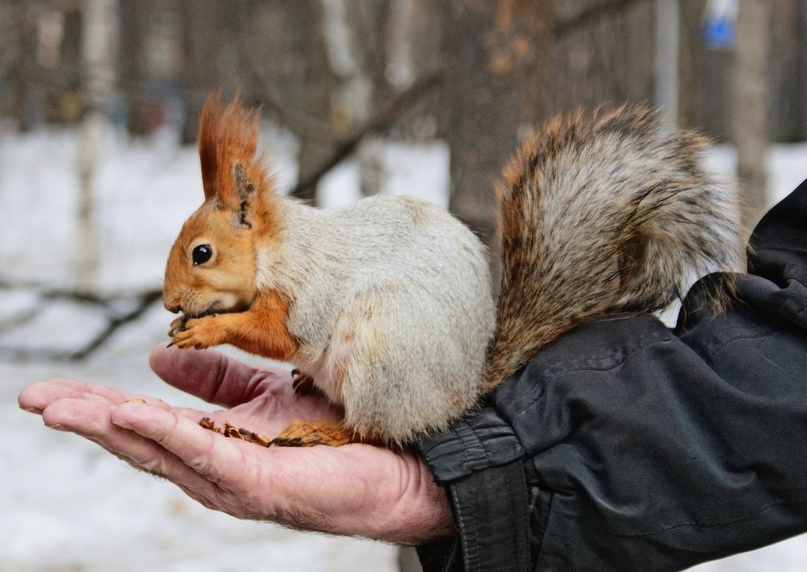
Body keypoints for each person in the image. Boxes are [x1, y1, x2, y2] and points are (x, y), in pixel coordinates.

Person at [19, 179, 807, 571]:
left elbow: (295, 327)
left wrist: (227, 326)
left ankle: (367, 420)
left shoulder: (293, 263)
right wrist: (497, 470)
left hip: (406, 357)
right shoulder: (291, 254)